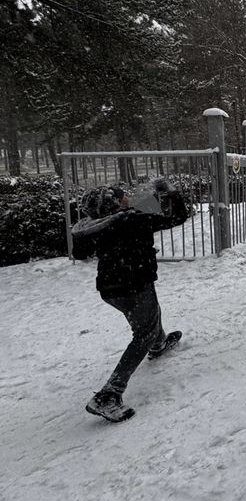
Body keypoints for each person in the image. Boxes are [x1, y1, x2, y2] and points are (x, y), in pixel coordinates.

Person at [72, 179, 188, 423]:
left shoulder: (97, 224)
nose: (126, 198)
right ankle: (109, 394)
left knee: (149, 315)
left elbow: (80, 252)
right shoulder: (131, 220)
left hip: (110, 289)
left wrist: (153, 197)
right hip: (133, 283)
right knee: (144, 331)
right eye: (121, 196)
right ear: (113, 203)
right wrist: (171, 193)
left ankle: (159, 343)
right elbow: (177, 218)